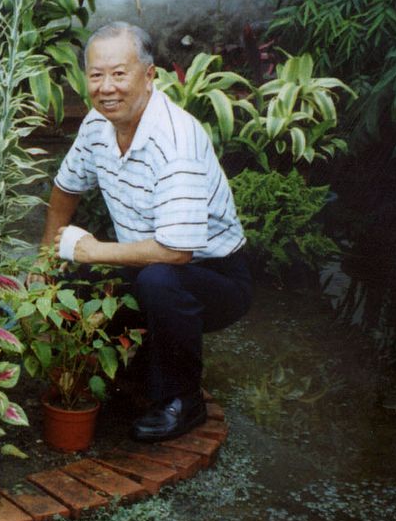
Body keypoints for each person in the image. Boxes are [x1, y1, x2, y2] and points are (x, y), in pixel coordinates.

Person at [43, 22, 252, 442]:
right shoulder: (96, 127)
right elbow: (67, 187)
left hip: (214, 278)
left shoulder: (175, 140)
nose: (106, 87)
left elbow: (177, 254)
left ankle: (182, 400)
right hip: (147, 260)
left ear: (149, 75)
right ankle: (119, 371)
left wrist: (91, 250)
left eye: (119, 74)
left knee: (157, 280)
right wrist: (47, 254)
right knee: (73, 278)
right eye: (96, 75)